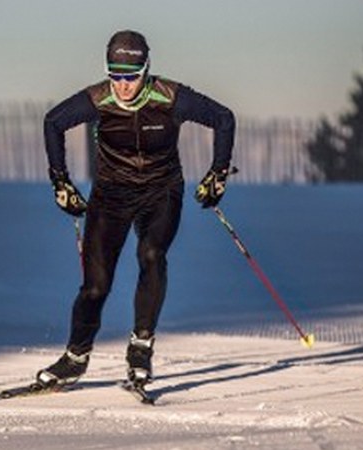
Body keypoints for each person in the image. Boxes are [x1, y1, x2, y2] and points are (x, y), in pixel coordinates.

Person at [37, 30, 235, 390]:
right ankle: (74, 358)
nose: (122, 85)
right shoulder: (98, 99)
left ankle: (141, 349)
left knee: (151, 254)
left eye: (130, 76)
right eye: (115, 75)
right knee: (96, 287)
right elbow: (53, 122)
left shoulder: (170, 96)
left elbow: (224, 118)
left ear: (145, 69)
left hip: (161, 191)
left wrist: (217, 174)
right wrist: (60, 183)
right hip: (111, 194)